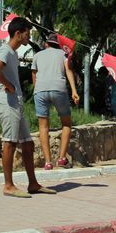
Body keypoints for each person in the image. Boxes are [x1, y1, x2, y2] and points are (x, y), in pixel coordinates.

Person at [0, 18, 57, 198]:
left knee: (28, 144)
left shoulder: (13, 53)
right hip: (8, 102)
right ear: (18, 34)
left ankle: (33, 184)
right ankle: (8, 186)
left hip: (16, 102)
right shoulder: (5, 50)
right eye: (27, 33)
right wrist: (9, 86)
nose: (29, 37)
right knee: (10, 142)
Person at [31, 33, 80, 170]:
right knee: (66, 123)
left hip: (40, 90)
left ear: (46, 43)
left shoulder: (37, 55)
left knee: (43, 127)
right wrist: (74, 91)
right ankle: (62, 158)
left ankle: (48, 162)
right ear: (59, 45)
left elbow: (34, 74)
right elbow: (68, 71)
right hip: (59, 89)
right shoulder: (63, 54)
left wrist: (37, 89)